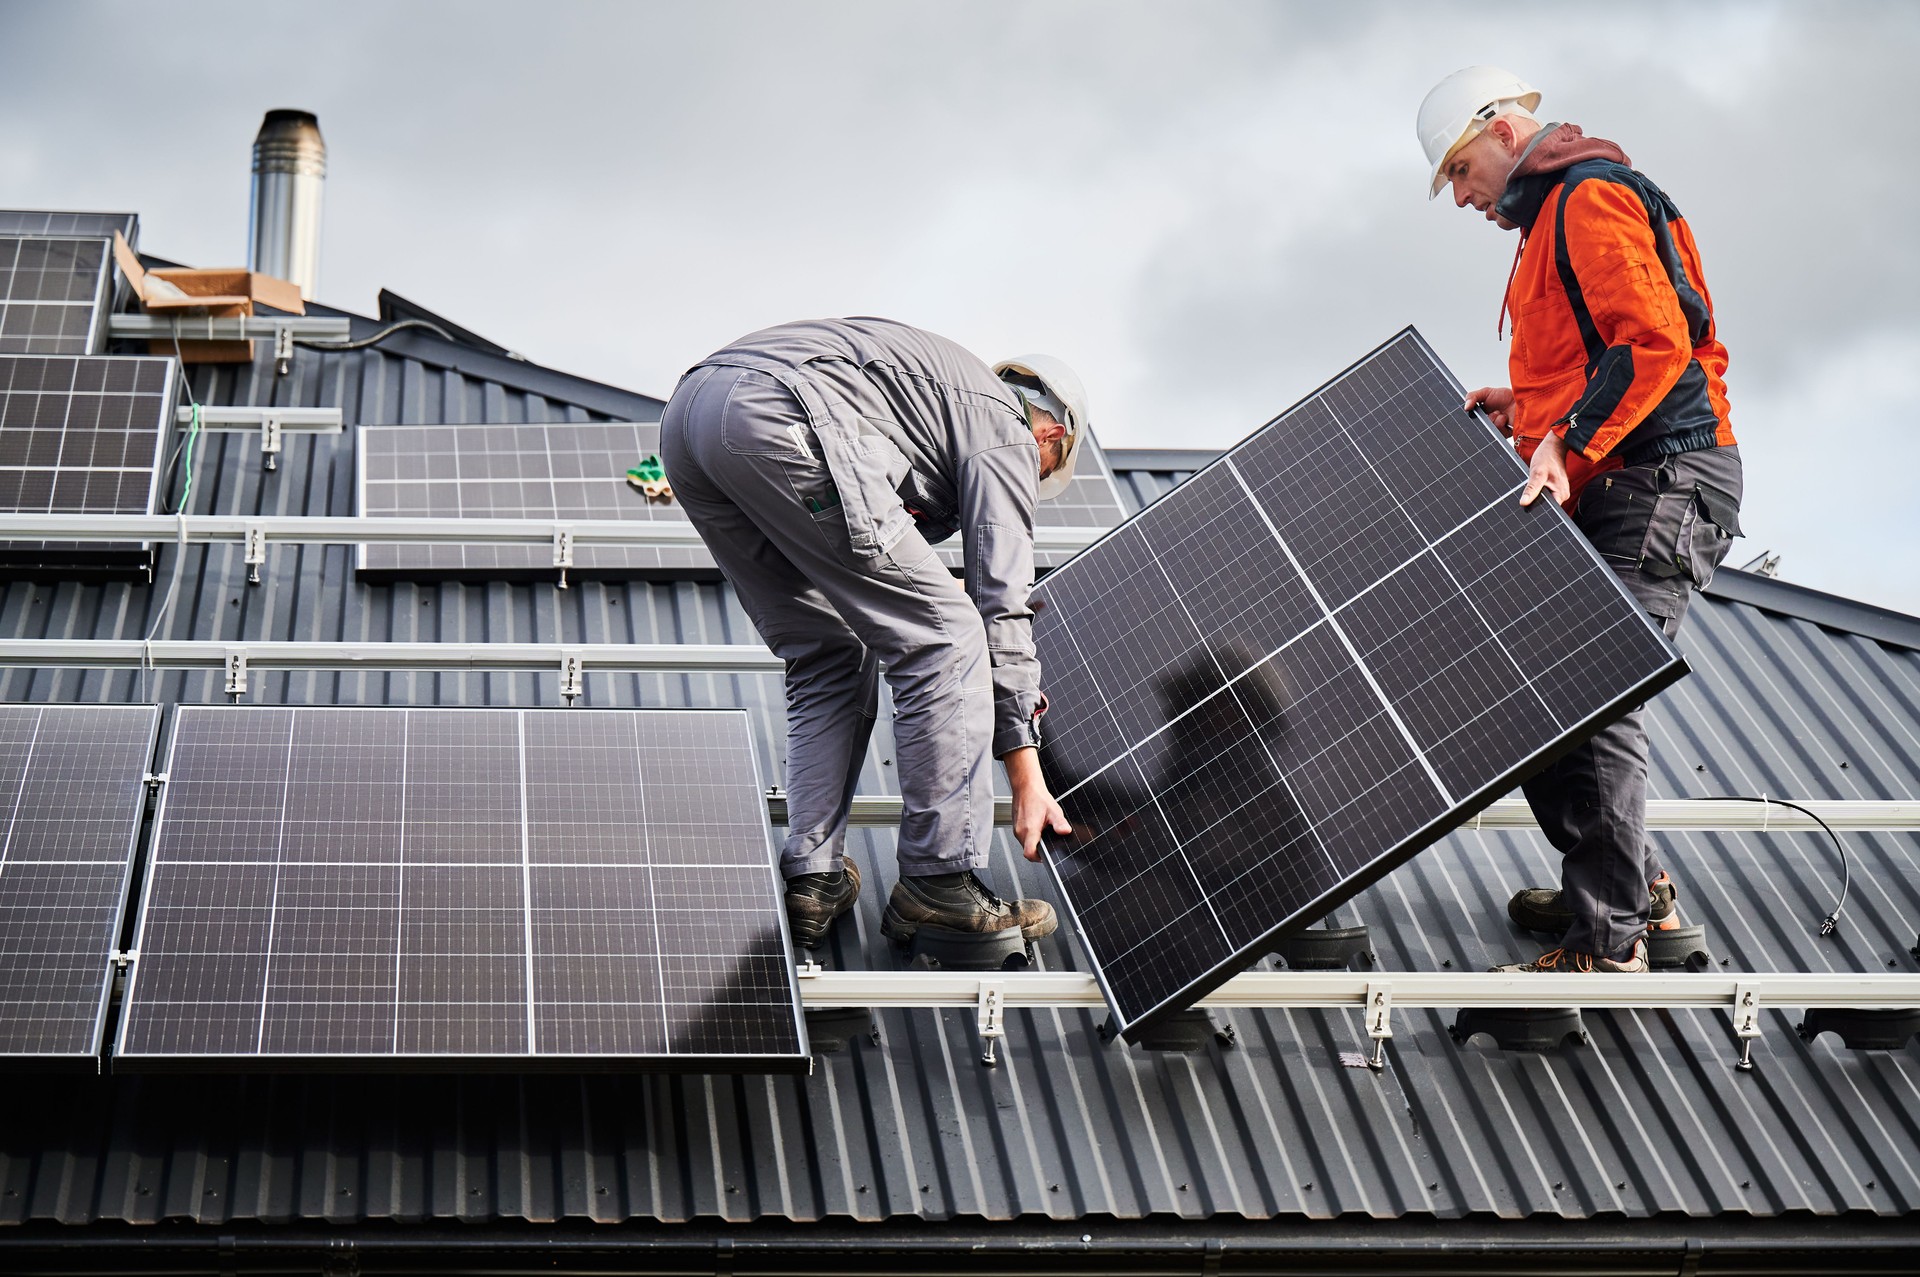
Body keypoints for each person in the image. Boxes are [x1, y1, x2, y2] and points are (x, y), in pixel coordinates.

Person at [1417, 67, 1745, 973]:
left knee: (1593, 690)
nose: (1460, 197)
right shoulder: (1547, 221)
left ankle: (1610, 938)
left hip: (1661, 478)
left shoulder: (1590, 195)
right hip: (1618, 475)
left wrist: (1561, 437)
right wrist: (1526, 407)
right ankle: (1636, 888)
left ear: (1501, 131)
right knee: (1536, 696)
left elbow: (1653, 343)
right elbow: (1592, 358)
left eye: (1458, 170)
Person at [658, 317, 1080, 951]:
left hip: (691, 419)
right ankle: (939, 881)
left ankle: (813, 873)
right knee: (946, 633)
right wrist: (1025, 767)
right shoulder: (1008, 428)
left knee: (827, 649)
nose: (1030, 484)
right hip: (782, 410)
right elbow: (1002, 602)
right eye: (1042, 472)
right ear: (1052, 433)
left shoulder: (930, 398)